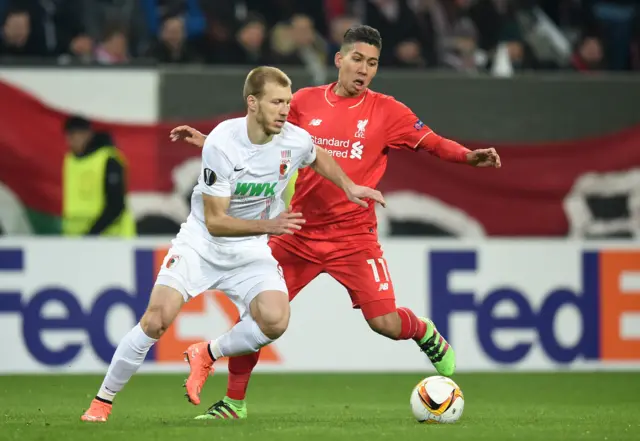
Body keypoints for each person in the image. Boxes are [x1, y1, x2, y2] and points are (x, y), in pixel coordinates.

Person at [172, 25, 501, 421]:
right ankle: (234, 403)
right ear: (339, 60)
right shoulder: (305, 101)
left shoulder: (388, 111)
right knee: (258, 316)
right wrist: (210, 141)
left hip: (354, 237)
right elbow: (259, 131)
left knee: (385, 322)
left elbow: (432, 142)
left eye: (373, 63)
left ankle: (423, 333)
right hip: (297, 232)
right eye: (358, 59)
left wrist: (467, 156)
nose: (364, 69)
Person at [80, 66, 384, 423]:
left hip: (250, 248)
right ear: (252, 103)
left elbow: (316, 155)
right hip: (202, 244)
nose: (285, 110)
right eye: (276, 102)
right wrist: (270, 224)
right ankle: (103, 401)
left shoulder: (293, 139)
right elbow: (216, 221)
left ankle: (206, 353)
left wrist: (349, 186)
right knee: (156, 321)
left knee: (275, 320)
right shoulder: (223, 143)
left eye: (287, 102)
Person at [62, 115, 136, 237]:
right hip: (77, 238)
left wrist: (92, 234)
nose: (70, 141)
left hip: (110, 237)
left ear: (87, 134)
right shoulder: (70, 160)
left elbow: (115, 205)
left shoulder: (108, 159)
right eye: (68, 136)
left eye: (74, 135)